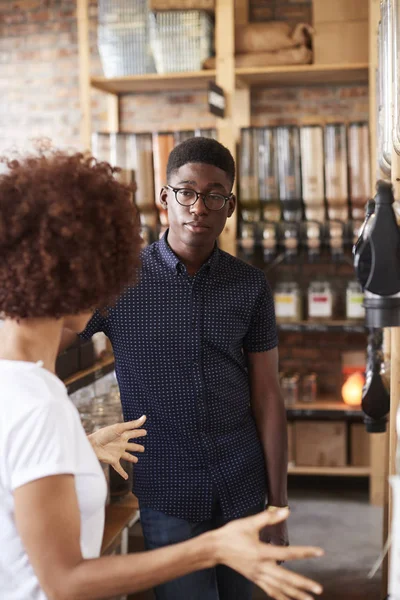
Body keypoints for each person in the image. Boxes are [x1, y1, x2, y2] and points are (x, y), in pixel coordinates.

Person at [0, 148, 324, 600]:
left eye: (213, 197)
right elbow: (55, 335)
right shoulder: (120, 283)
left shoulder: (250, 286)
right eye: (186, 193)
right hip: (167, 487)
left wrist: (278, 504)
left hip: (242, 481)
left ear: (229, 207)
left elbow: (268, 396)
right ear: (164, 197)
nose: (197, 208)